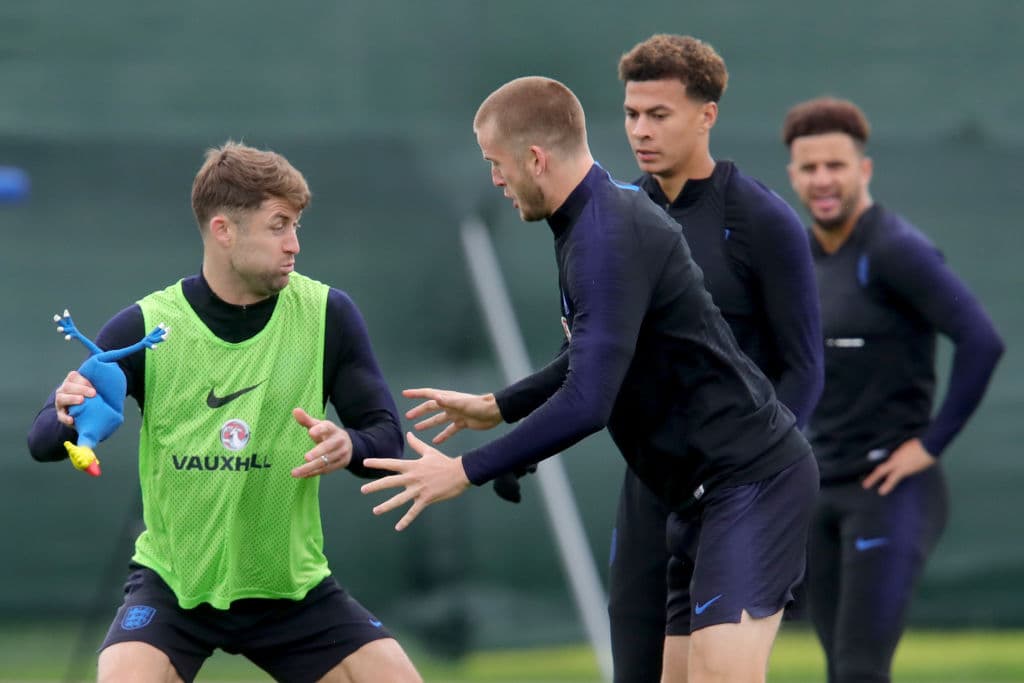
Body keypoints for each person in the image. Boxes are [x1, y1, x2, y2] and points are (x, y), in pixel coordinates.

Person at [360, 76, 819, 683]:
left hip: (750, 484)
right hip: (695, 499)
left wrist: (465, 470)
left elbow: (588, 401)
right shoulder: (592, 221)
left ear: (535, 158)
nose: (495, 179)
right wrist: (501, 405)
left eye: (496, 163)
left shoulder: (606, 236)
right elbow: (590, 355)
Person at [27, 141, 422, 683]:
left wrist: (350, 445)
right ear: (224, 231)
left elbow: (385, 435)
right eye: (279, 226)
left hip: (292, 589)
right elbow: (42, 439)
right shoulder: (147, 327)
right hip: (175, 586)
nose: (295, 245)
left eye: (297, 226)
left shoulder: (329, 314)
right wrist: (67, 414)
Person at [607, 34, 824, 683]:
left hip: (736, 487)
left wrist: (751, 472)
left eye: (658, 114)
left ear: (707, 115)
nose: (640, 131)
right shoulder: (614, 220)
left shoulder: (760, 219)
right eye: (631, 113)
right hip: (650, 494)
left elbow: (805, 367)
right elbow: (592, 360)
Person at [782, 97, 1004, 683]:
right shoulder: (800, 259)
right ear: (793, 177)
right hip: (821, 491)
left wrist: (928, 446)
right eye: (809, 168)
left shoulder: (894, 249)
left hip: (891, 491)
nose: (822, 180)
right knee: (840, 668)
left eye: (835, 165)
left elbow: (983, 341)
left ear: (864, 170)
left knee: (860, 670)